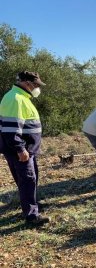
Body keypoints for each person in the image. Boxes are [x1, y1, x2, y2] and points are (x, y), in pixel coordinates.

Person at [0, 71, 50, 226]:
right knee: (27, 180)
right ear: (27, 83)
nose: (37, 88)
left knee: (31, 179)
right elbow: (10, 129)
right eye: (36, 85)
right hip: (21, 151)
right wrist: (20, 149)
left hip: (28, 150)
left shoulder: (21, 97)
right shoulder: (15, 99)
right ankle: (31, 216)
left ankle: (32, 204)